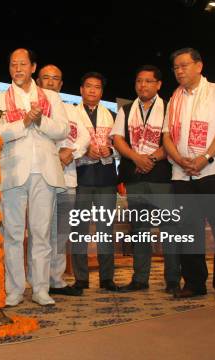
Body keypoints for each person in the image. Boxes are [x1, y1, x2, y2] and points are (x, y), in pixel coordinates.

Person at [0, 48, 69, 307]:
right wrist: (24, 123)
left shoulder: (51, 98)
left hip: (44, 172)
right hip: (13, 172)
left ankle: (40, 288)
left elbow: (62, 130)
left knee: (41, 233)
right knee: (12, 233)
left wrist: (39, 121)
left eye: (23, 64)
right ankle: (14, 289)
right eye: (13, 65)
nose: (18, 69)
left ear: (33, 67)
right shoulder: (0, 98)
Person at [163, 47, 215, 301]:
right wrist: (179, 159)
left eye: (184, 65)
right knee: (188, 230)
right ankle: (194, 282)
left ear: (199, 66)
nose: (179, 71)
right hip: (182, 173)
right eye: (176, 67)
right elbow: (166, 136)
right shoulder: (174, 99)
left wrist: (204, 158)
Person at [111, 65, 181, 294]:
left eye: (149, 81)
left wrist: (150, 159)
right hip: (135, 177)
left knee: (169, 229)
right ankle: (140, 279)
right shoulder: (127, 109)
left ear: (159, 84)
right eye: (139, 81)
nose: (143, 85)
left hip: (161, 177)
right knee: (140, 229)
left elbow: (173, 139)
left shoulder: (170, 107)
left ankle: (172, 280)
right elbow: (118, 139)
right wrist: (135, 157)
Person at [36, 64, 89, 296]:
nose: (50, 82)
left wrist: (72, 152)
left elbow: (86, 136)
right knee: (41, 232)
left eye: (55, 79)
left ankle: (55, 281)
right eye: (45, 78)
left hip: (67, 180)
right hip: (40, 181)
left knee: (60, 233)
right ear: (38, 81)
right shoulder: (33, 109)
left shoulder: (72, 109)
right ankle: (38, 282)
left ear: (61, 84)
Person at [71, 72, 119, 291]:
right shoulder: (71, 113)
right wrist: (83, 151)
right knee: (79, 229)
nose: (92, 90)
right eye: (88, 86)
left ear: (102, 91)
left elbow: (121, 145)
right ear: (81, 90)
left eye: (97, 87)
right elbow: (66, 141)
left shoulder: (112, 114)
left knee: (105, 230)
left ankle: (107, 278)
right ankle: (81, 278)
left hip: (106, 179)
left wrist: (110, 149)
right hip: (80, 179)